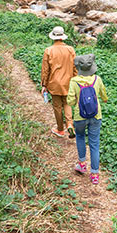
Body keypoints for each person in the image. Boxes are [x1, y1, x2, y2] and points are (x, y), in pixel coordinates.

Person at [67, 54, 108, 185]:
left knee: (80, 137)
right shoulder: (97, 79)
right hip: (96, 115)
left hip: (80, 116)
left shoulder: (74, 81)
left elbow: (70, 101)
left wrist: (76, 100)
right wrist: (103, 99)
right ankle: (95, 174)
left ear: (79, 68)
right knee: (94, 144)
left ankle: (82, 164)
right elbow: (104, 96)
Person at [40, 26, 76, 138]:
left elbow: (45, 70)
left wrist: (44, 84)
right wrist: (76, 80)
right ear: (62, 37)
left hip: (54, 83)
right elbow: (75, 67)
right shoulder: (70, 50)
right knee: (67, 103)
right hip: (68, 82)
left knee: (57, 107)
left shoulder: (48, 50)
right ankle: (70, 124)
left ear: (53, 37)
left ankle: (60, 129)